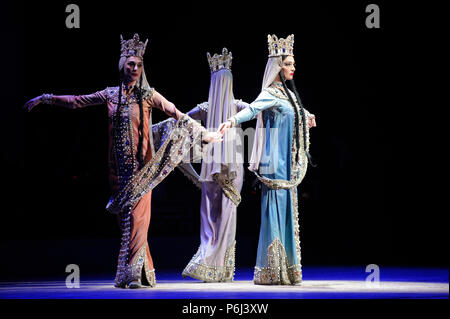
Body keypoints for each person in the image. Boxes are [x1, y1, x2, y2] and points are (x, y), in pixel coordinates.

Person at [24, 33, 223, 289]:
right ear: (122, 65)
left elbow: (177, 113)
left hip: (143, 171)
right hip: (117, 172)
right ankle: (143, 272)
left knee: (139, 222)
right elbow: (76, 102)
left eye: (139, 65)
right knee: (128, 223)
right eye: (131, 64)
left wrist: (204, 133)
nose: (136, 69)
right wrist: (46, 98)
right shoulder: (109, 95)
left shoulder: (149, 95)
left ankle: (131, 276)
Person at [219, 34, 317, 285]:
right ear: (277, 66)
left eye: (294, 64)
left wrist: (307, 115)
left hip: (288, 164)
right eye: (288, 64)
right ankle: (271, 270)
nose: (293, 68)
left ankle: (287, 269)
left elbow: (295, 111)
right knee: (274, 211)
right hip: (274, 163)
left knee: (287, 211)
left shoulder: (289, 94)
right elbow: (252, 110)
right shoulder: (270, 92)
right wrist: (231, 121)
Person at [181, 48, 249, 282]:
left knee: (214, 215)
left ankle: (212, 263)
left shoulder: (228, 108)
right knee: (219, 215)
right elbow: (180, 121)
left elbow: (180, 120)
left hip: (223, 168)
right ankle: (215, 265)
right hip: (221, 167)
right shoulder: (223, 107)